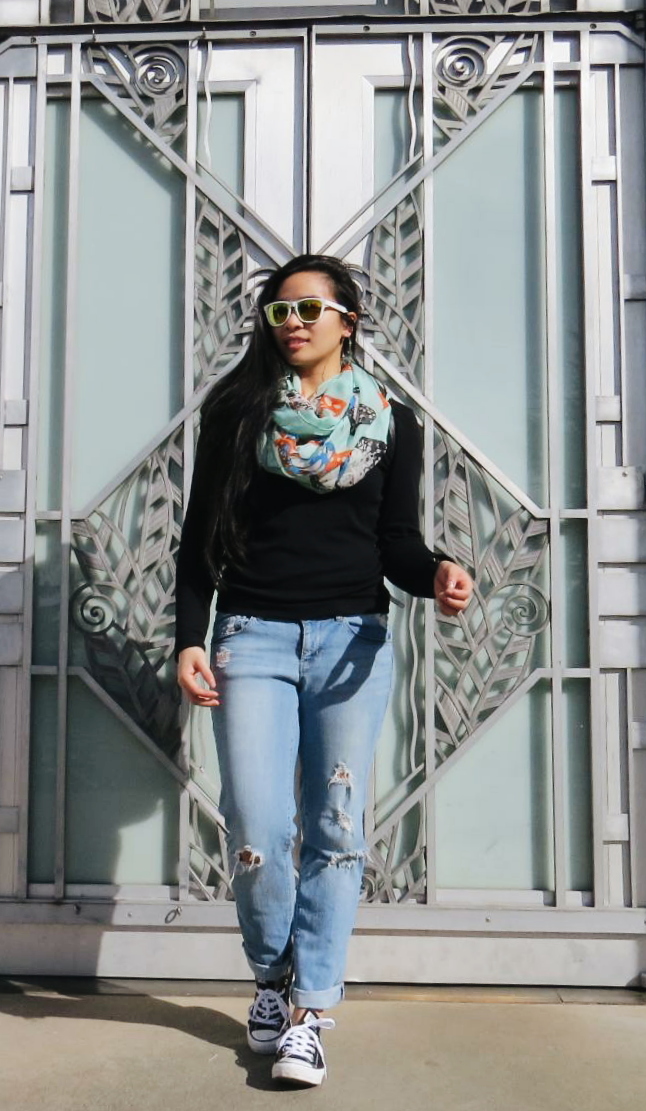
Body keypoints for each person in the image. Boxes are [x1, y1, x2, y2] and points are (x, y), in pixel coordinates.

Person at [175, 254, 473, 1087]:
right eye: (280, 311)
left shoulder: (390, 424)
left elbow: (397, 544)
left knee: (337, 827)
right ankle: (271, 978)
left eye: (310, 309)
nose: (294, 323)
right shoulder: (237, 412)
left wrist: (438, 572)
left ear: (349, 321)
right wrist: (189, 637)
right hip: (251, 637)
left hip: (351, 640)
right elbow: (200, 538)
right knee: (257, 824)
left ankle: (308, 1011)